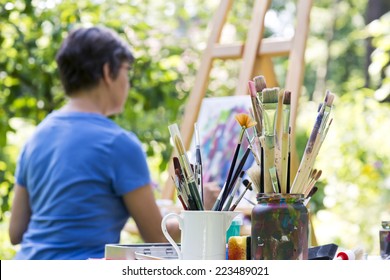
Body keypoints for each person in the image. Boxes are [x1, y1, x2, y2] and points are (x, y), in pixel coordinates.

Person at [8, 26, 179, 260]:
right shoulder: (119, 144)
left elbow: (16, 232)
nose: (127, 82)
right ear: (108, 72)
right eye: (126, 71)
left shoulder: (36, 137)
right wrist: (203, 213)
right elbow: (158, 239)